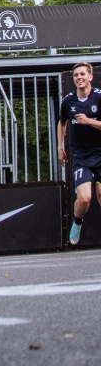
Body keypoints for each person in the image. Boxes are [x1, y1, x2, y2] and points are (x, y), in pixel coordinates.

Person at [58, 60, 101, 246]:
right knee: (84, 198)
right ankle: (77, 221)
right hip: (81, 155)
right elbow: (62, 123)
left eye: (83, 74)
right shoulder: (68, 101)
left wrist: (89, 121)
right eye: (76, 75)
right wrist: (60, 147)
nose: (79, 77)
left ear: (90, 77)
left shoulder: (99, 97)